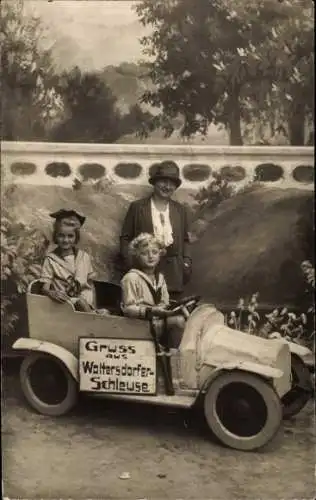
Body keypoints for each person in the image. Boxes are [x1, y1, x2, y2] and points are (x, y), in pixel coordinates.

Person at [120, 161, 192, 299]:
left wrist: (187, 263)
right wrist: (131, 264)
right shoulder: (137, 207)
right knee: (146, 312)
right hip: (144, 271)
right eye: (163, 181)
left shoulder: (180, 210)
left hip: (174, 274)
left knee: (172, 313)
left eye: (172, 183)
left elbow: (186, 239)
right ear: (155, 183)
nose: (167, 186)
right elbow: (125, 238)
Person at [121, 233, 186, 348]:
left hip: (157, 322)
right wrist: (152, 311)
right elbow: (128, 309)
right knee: (178, 322)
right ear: (137, 256)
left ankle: (169, 355)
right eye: (144, 253)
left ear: (160, 255)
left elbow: (164, 303)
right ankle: (173, 357)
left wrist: (170, 308)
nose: (150, 256)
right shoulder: (131, 278)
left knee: (189, 321)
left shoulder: (160, 278)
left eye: (154, 252)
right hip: (138, 325)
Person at [41, 214, 95, 312]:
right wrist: (51, 293)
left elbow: (90, 283)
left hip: (86, 302)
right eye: (61, 236)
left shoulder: (84, 257)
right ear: (56, 237)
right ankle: (93, 318)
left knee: (100, 310)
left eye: (70, 236)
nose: (66, 240)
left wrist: (93, 305)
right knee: (80, 303)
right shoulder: (51, 259)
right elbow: (45, 288)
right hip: (65, 303)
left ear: (76, 238)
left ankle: (93, 314)